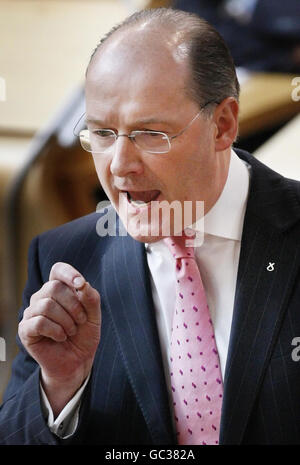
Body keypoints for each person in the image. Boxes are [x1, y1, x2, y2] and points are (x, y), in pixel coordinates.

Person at [1, 8, 300, 445]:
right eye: (102, 134)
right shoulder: (62, 258)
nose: (119, 167)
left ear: (223, 125)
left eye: (149, 134)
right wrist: (61, 387)